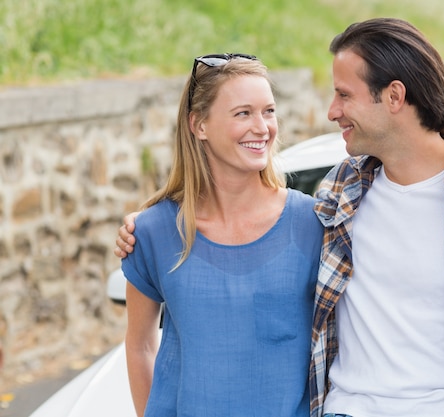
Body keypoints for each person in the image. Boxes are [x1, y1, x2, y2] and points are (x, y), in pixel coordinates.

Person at [116, 19, 444, 417]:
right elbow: (238, 228)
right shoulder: (340, 194)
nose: (331, 111)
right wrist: (149, 226)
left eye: (344, 95)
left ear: (393, 97)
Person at [119, 53, 323, 417]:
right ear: (199, 125)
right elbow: (139, 347)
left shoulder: (311, 223)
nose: (262, 127)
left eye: (269, 111)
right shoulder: (151, 232)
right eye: (243, 113)